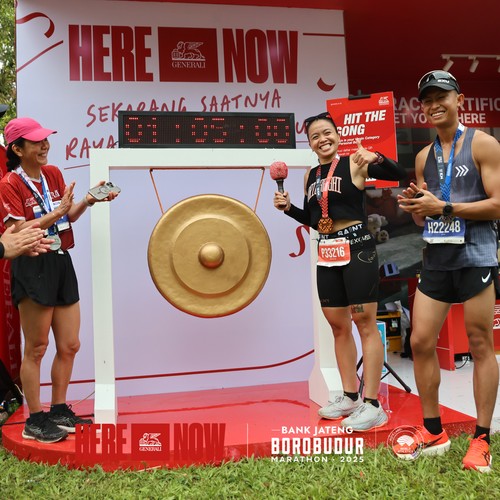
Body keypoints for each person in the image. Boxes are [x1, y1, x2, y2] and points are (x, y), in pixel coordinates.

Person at [273, 111, 406, 431]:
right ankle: (350, 397)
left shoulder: (354, 163)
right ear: (309, 143)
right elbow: (314, 220)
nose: (322, 139)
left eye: (327, 133)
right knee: (338, 326)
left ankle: (373, 404)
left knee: (364, 323)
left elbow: (398, 173)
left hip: (358, 250)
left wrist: (377, 157)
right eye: (315, 136)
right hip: (327, 253)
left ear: (338, 135)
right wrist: (289, 208)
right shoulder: (310, 175)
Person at [397, 70, 500, 472]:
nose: (434, 104)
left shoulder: (483, 144)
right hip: (437, 259)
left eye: (441, 96)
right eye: (427, 99)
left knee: (479, 344)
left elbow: (497, 204)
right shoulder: (424, 157)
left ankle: (481, 440)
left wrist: (443, 207)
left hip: (476, 256)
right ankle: (434, 431)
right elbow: (427, 216)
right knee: (421, 341)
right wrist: (417, 207)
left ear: (459, 99)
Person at [0, 117, 119, 444]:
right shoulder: (9, 183)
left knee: (70, 344)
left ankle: (58, 410)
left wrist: (88, 201)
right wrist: (57, 212)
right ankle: (35, 419)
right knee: (36, 348)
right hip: (32, 263)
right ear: (18, 149)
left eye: (45, 139)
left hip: (61, 260)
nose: (45, 145)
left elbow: (67, 217)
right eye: (36, 141)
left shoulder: (52, 173)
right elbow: (16, 231)